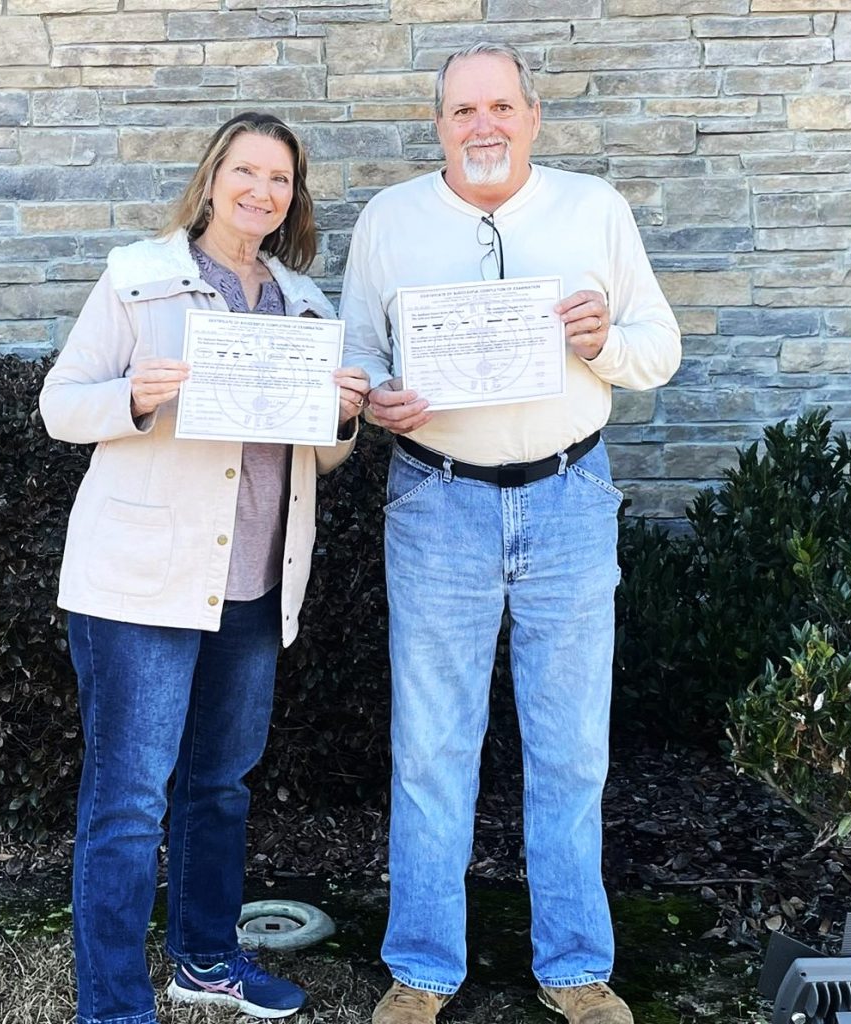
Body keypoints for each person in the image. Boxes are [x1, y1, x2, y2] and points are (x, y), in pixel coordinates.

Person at [340, 43, 681, 1024]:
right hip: (436, 500)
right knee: (431, 747)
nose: (481, 125)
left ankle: (575, 965)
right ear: (437, 124)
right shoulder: (392, 221)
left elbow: (658, 348)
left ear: (534, 115)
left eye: (499, 106)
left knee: (571, 747)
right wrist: (376, 402)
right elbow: (360, 351)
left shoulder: (593, 211)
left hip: (569, 499)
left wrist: (601, 342)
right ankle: (421, 970)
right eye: (460, 111)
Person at [40, 111, 369, 1024]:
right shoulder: (140, 280)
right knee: (129, 804)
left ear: (294, 197)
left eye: (281, 179)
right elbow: (61, 405)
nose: (263, 192)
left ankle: (206, 961)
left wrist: (343, 417)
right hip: (143, 581)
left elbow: (319, 457)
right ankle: (112, 1005)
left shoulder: (306, 304)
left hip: (256, 583)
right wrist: (133, 397)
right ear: (214, 175)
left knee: (220, 788)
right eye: (247, 171)